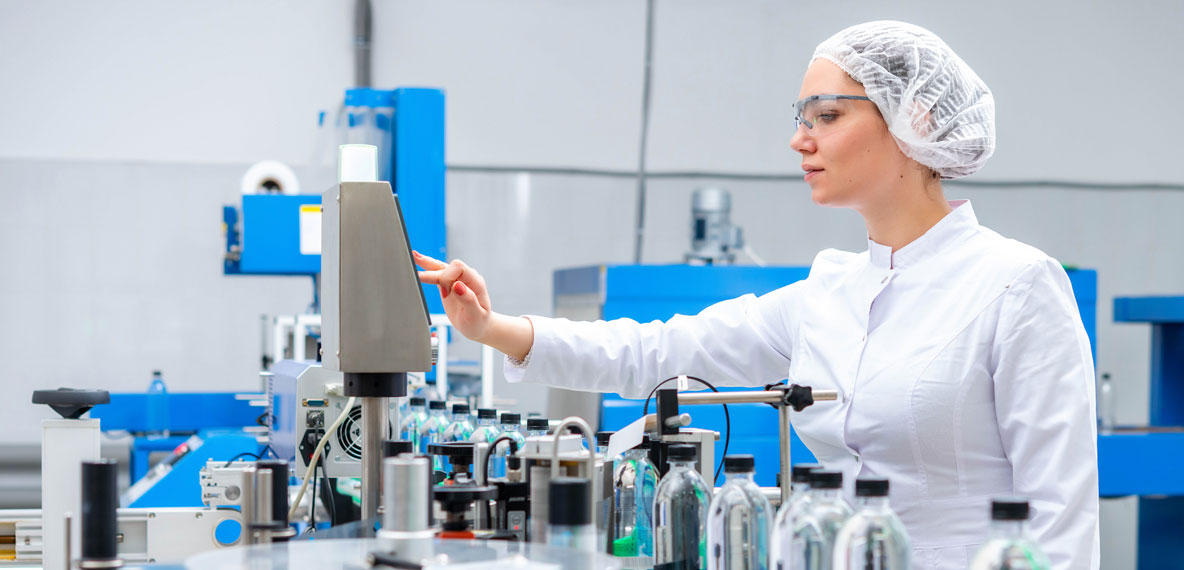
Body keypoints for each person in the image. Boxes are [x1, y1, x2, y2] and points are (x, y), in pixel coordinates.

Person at [415, 20, 1099, 570]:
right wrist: (492, 326)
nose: (799, 138)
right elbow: (659, 351)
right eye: (802, 115)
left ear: (913, 120)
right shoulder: (829, 291)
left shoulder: (1015, 286)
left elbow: (1063, 518)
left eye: (827, 115)